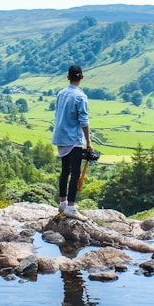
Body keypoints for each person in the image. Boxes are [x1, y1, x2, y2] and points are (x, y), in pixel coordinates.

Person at [51, 64, 93, 219]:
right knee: (75, 172)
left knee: (65, 171)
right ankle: (71, 207)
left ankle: (62, 203)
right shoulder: (81, 97)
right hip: (73, 138)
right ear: (82, 77)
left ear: (68, 77)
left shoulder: (61, 94)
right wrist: (89, 142)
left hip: (60, 136)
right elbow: (83, 120)